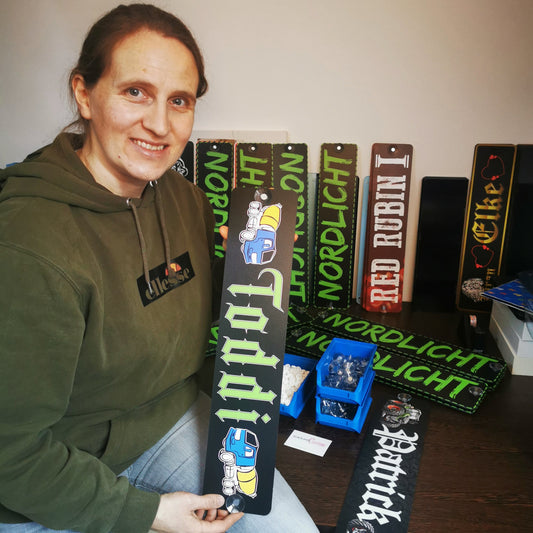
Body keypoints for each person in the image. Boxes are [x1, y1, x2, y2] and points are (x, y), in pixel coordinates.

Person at [0, 4, 319, 533]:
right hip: (49, 476)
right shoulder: (29, 246)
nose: (160, 124)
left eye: (179, 100)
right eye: (135, 92)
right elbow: (9, 451)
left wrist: (239, 279)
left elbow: (164, 308)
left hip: (168, 420)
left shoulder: (185, 199)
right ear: (85, 94)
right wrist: (146, 515)